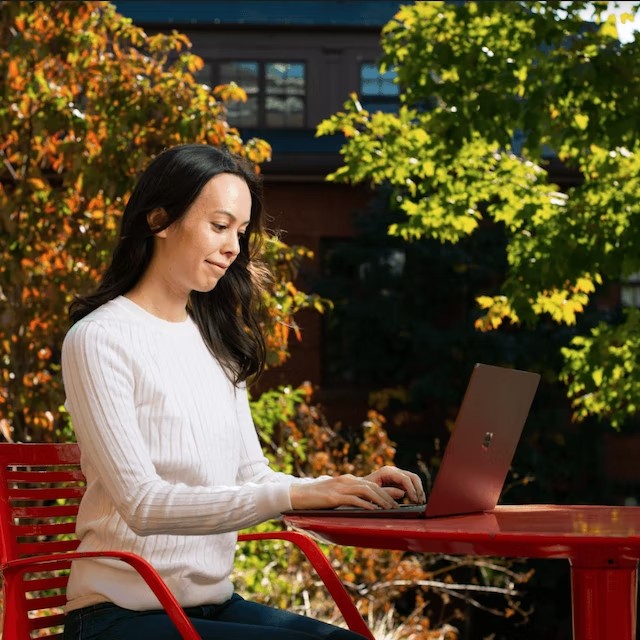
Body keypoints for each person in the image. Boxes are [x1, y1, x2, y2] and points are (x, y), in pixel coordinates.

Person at [60, 143, 425, 640]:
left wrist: (340, 489)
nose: (234, 247)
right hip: (119, 616)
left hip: (210, 607)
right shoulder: (99, 339)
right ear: (161, 220)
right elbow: (142, 505)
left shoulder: (215, 345)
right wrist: (296, 492)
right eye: (219, 226)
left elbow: (252, 476)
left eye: (241, 231)